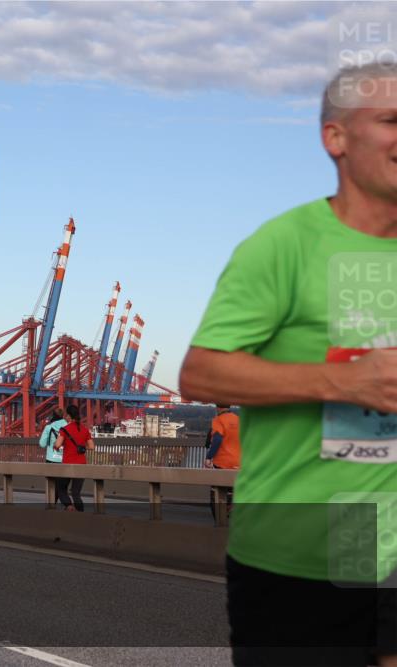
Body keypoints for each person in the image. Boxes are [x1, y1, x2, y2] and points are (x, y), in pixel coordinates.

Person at [179, 62, 397, 667]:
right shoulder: (283, 246)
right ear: (337, 138)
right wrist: (344, 380)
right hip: (298, 555)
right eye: (390, 121)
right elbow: (199, 374)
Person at [53, 405, 95, 512]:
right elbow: (92, 447)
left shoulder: (64, 429)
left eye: (66, 414)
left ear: (69, 416)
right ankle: (81, 514)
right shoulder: (85, 430)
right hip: (81, 464)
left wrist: (56, 446)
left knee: (61, 489)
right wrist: (81, 447)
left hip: (67, 464)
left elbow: (57, 444)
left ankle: (69, 506)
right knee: (76, 493)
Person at [38, 407, 67, 505]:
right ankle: (64, 504)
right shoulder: (68, 426)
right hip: (64, 460)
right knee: (61, 485)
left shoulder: (49, 427)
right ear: (63, 415)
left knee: (51, 484)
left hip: (51, 459)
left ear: (53, 415)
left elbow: (42, 444)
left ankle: (51, 505)